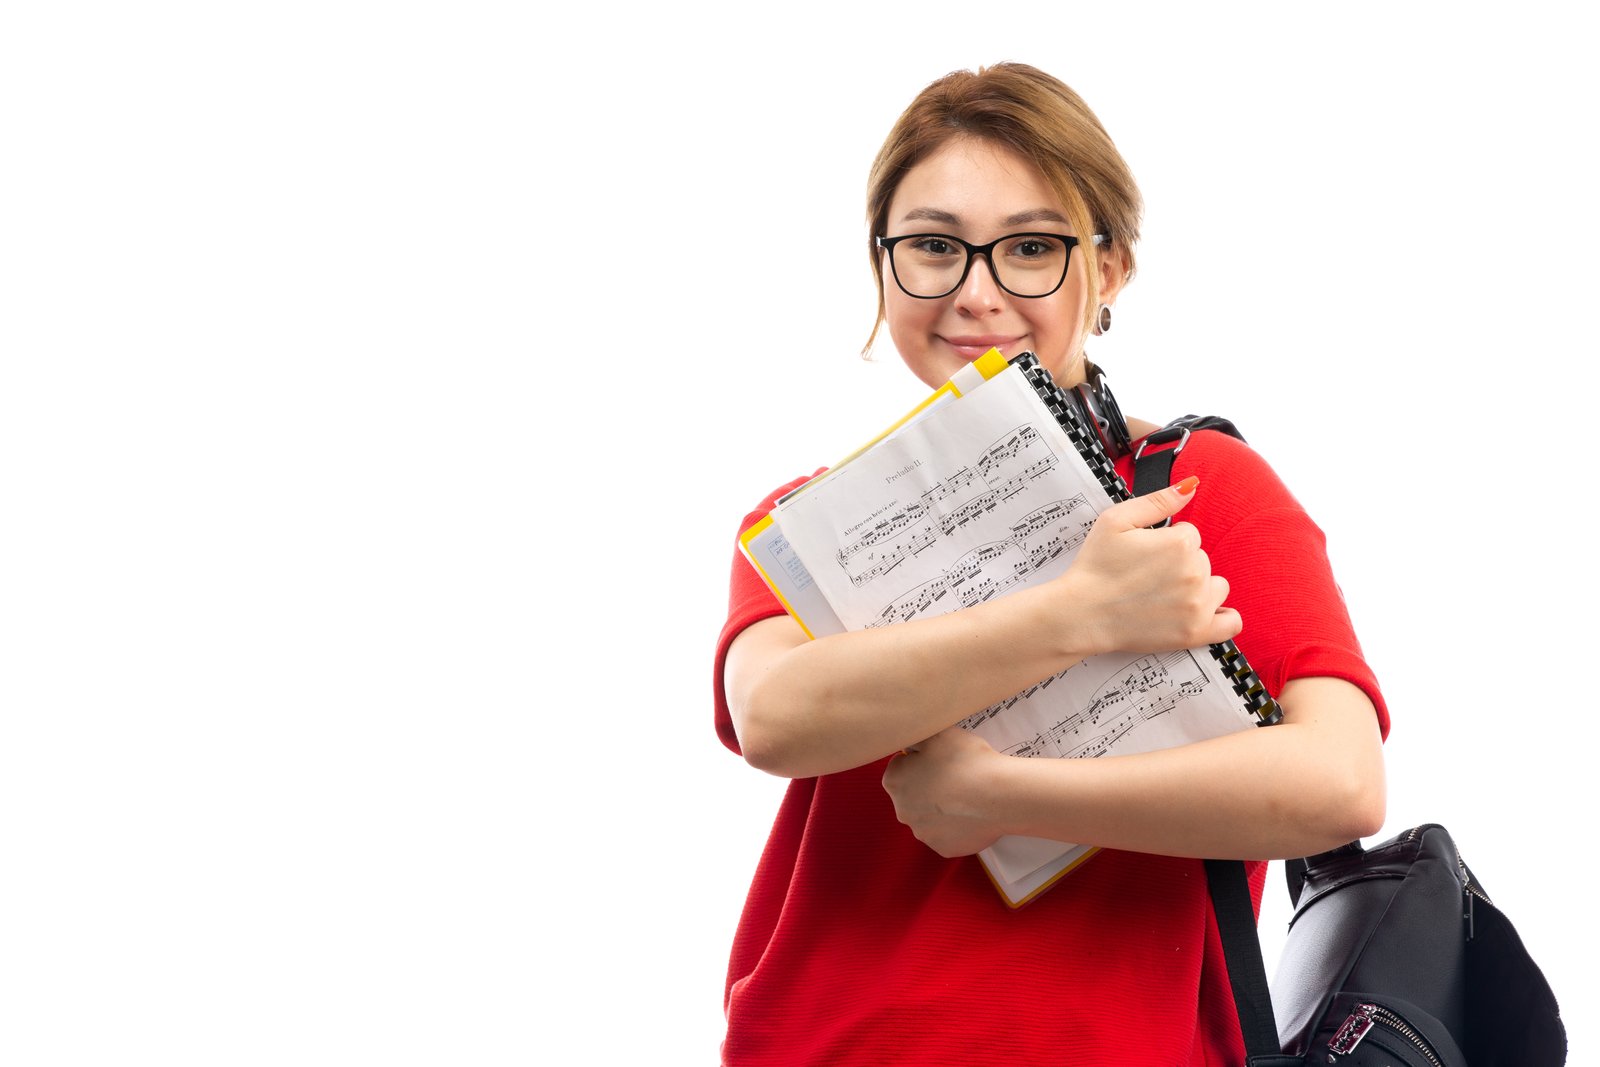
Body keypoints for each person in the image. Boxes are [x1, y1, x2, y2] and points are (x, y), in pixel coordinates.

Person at [711, 62, 1388, 1066]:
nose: (977, 292)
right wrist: (1078, 612)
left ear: (1107, 270)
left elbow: (1338, 783)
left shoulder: (1201, 484)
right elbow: (774, 717)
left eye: (1031, 247)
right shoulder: (804, 523)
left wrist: (1003, 794)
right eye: (933, 247)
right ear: (883, 265)